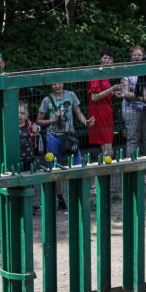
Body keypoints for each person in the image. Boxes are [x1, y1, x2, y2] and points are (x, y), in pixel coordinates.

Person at [36, 83, 95, 211]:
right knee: (54, 168)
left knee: (77, 164)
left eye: (59, 83)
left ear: (63, 83)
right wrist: (52, 120)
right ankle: (60, 198)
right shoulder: (47, 100)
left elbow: (78, 112)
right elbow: (38, 120)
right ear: (50, 86)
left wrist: (86, 122)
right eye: (53, 84)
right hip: (53, 137)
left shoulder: (71, 95)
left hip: (69, 137)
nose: (57, 86)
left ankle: (79, 197)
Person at [87, 49, 120, 159]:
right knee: (109, 152)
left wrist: (114, 93)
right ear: (100, 59)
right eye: (105, 58)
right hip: (99, 115)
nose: (107, 60)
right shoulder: (97, 73)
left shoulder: (106, 74)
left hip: (107, 114)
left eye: (110, 59)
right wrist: (111, 89)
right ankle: (104, 174)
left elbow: (104, 93)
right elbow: (94, 97)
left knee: (107, 150)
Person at [118, 46, 146, 158]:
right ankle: (132, 170)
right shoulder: (126, 71)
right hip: (130, 110)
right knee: (133, 139)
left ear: (144, 57)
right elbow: (125, 93)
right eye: (134, 55)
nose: (137, 57)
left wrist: (143, 97)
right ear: (131, 57)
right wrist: (141, 98)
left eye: (139, 55)